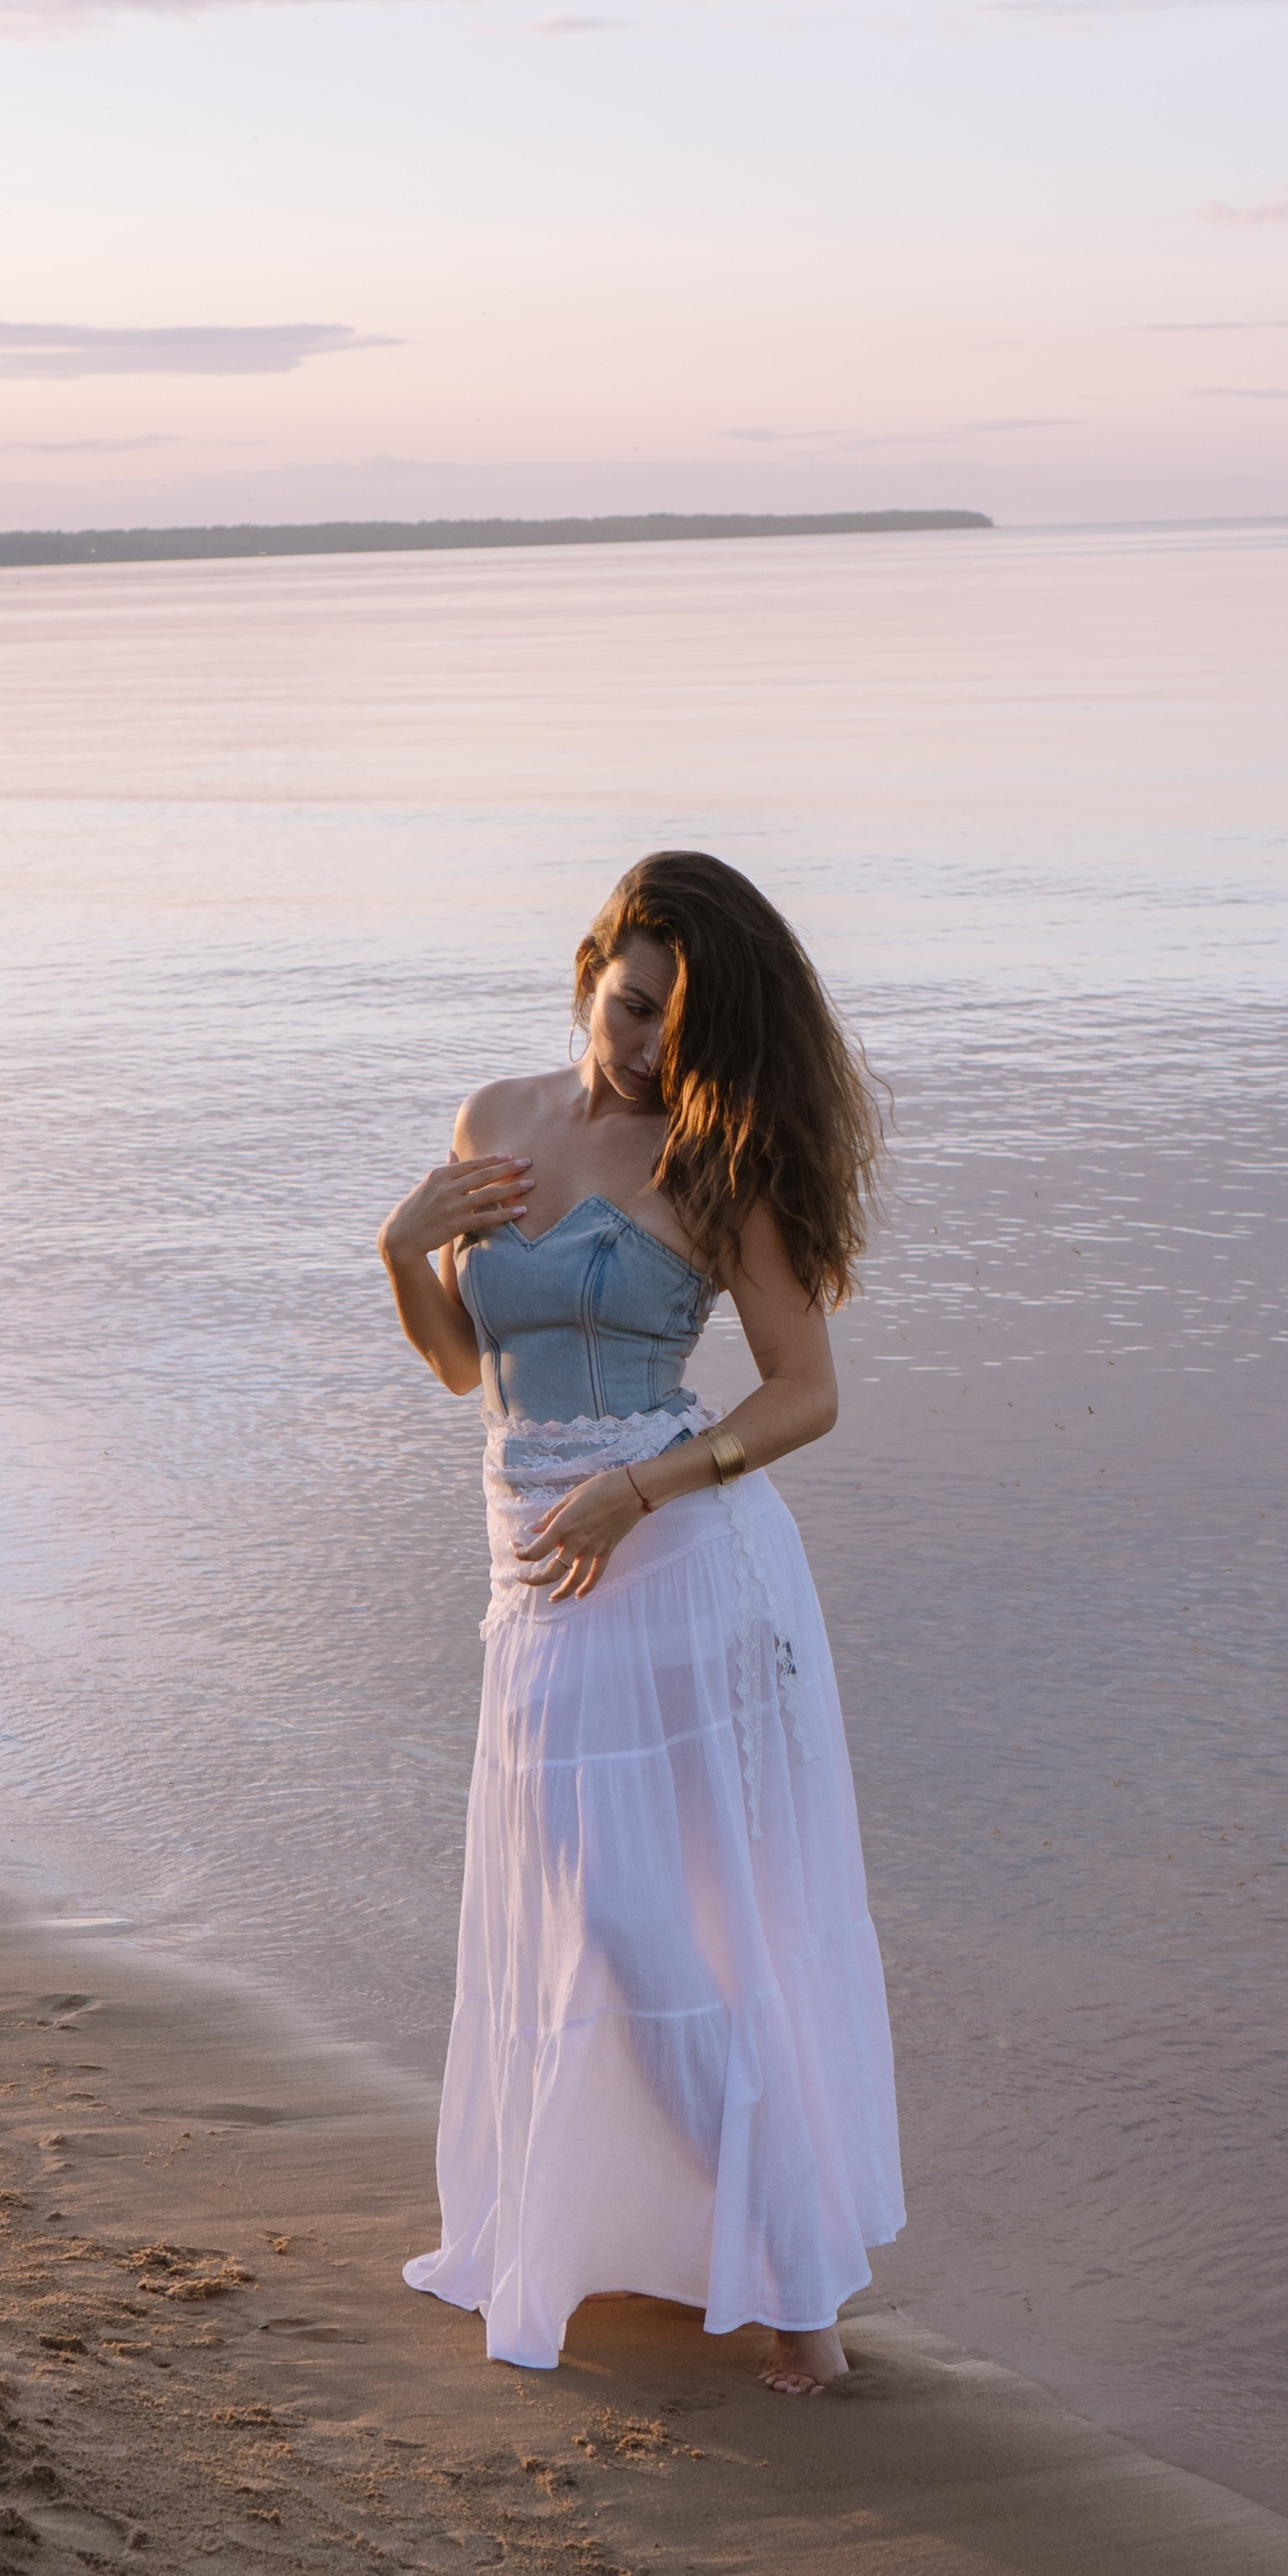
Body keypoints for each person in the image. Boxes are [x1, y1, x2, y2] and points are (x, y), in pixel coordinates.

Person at [377, 851, 905, 2396]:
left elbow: (808, 1392)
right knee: (609, 1923)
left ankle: (802, 2301)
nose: (644, 1042)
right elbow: (464, 1371)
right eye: (630, 1003)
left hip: (680, 1569)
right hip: (534, 1566)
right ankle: (708, 2251)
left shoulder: (715, 1159)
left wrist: (642, 1492)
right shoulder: (497, 1123)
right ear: (593, 961)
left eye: (675, 1021)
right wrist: (402, 1247)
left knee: (662, 1927)